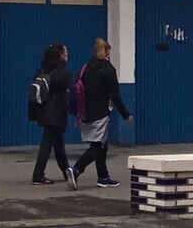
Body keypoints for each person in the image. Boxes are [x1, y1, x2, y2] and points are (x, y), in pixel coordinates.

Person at [71, 36, 130, 187]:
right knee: (97, 146)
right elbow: (115, 95)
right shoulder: (108, 70)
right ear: (106, 52)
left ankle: (103, 176)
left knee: (102, 144)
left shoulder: (86, 68)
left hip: (85, 112)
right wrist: (126, 114)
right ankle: (77, 169)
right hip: (101, 112)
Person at [29, 42, 76, 185]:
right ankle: (37, 175)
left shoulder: (42, 71)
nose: (67, 54)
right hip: (56, 112)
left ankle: (67, 171)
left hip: (43, 110)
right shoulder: (64, 73)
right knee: (47, 143)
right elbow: (71, 89)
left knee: (58, 143)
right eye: (65, 52)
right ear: (60, 55)